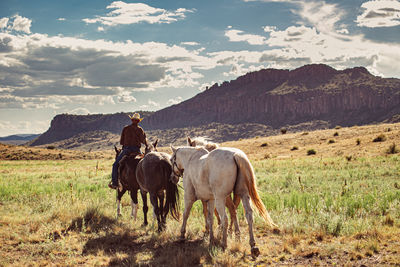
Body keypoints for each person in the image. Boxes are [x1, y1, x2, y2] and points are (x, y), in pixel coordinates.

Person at [109, 112, 147, 189]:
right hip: (137, 150)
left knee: (115, 165)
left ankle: (115, 183)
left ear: (132, 120)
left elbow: (121, 142)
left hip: (127, 150)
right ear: (138, 121)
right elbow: (143, 141)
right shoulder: (140, 130)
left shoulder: (126, 128)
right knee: (145, 163)